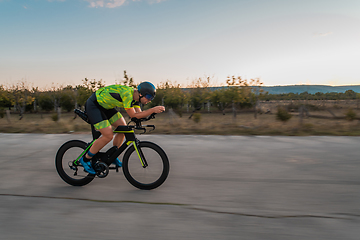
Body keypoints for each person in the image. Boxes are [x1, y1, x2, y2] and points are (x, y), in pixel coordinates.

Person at [79, 81, 165, 174]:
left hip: (106, 107)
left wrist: (152, 113)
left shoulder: (136, 99)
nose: (150, 100)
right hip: (94, 105)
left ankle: (113, 155)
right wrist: (152, 110)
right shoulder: (128, 95)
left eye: (152, 98)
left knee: (123, 128)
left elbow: (139, 115)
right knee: (108, 135)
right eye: (149, 97)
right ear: (141, 94)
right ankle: (86, 159)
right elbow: (134, 116)